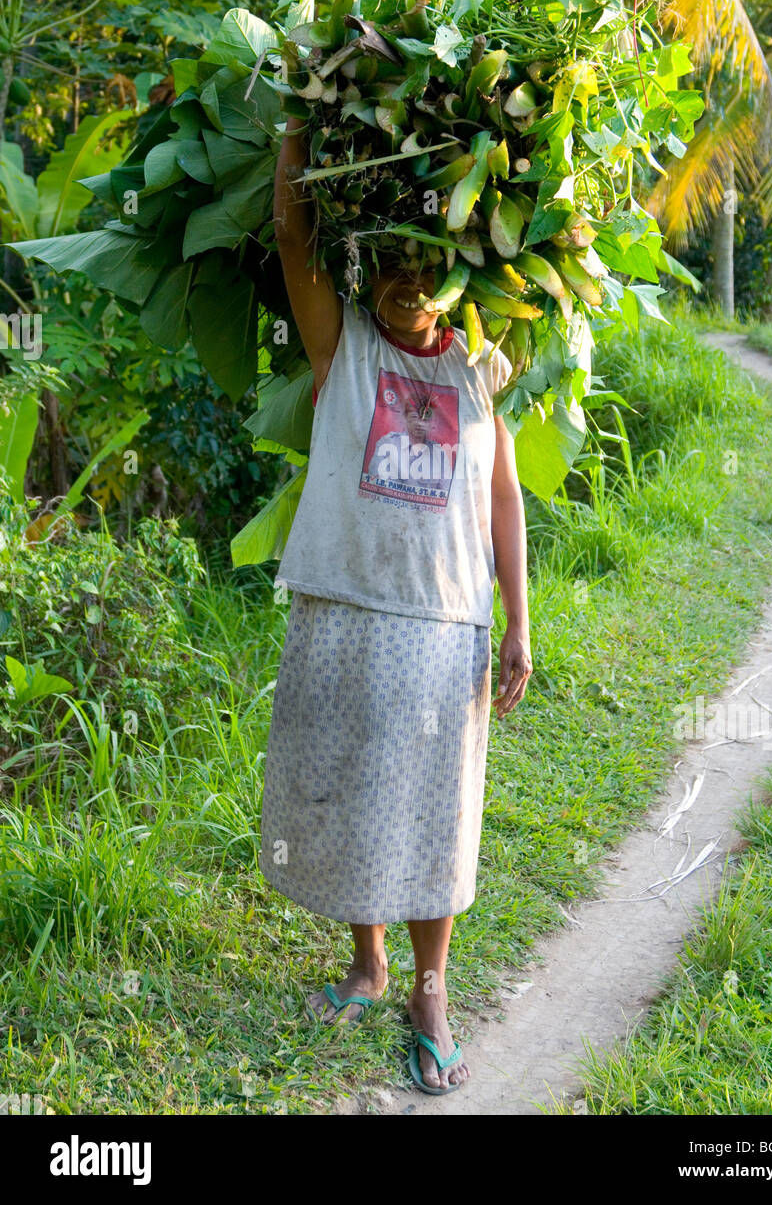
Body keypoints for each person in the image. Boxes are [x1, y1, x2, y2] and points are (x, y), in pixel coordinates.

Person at [259, 118, 533, 1095]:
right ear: (368, 264)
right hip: (347, 609)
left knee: (431, 813)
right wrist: (299, 122)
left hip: (444, 619)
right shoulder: (343, 346)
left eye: (429, 273)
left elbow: (503, 496)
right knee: (351, 790)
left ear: (456, 276)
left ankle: (427, 990)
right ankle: (366, 964)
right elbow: (293, 237)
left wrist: (518, 622)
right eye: (392, 270)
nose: (409, 291)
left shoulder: (476, 367)